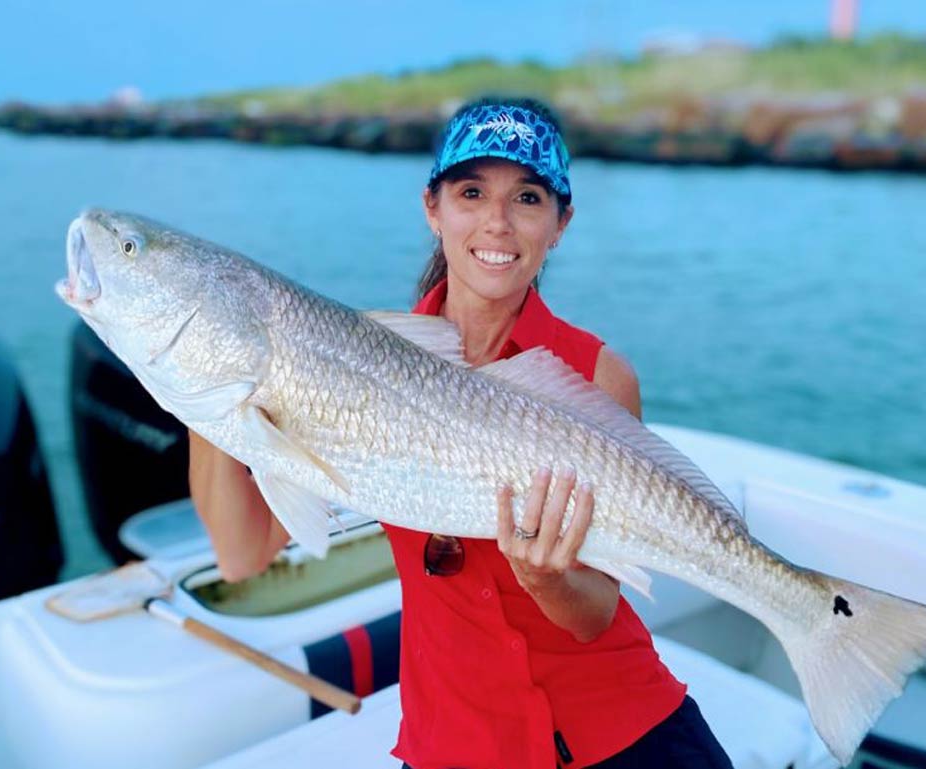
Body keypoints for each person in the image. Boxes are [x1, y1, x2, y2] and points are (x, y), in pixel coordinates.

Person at [189, 97, 733, 769]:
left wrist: (547, 579)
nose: (496, 223)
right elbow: (243, 555)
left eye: (527, 197)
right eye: (471, 192)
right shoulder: (359, 358)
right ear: (433, 208)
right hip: (459, 744)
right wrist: (213, 388)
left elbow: (594, 614)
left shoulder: (597, 376)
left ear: (560, 223)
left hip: (623, 726)